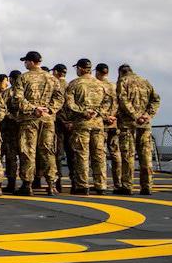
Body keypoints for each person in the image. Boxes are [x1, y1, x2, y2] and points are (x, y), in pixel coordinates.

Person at [11, 51, 64, 196]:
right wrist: (49, 109)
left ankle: (27, 185)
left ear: (31, 62)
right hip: (47, 119)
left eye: (26, 61)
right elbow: (59, 98)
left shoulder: (23, 78)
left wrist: (34, 109)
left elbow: (17, 99)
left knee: (28, 151)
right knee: (47, 150)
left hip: (29, 119)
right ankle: (51, 184)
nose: (25, 64)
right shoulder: (52, 79)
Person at [65, 58, 111, 195]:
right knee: (99, 155)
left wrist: (83, 112)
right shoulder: (101, 84)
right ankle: (101, 185)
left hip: (82, 124)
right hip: (98, 124)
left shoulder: (74, 84)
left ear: (80, 68)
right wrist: (98, 112)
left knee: (82, 155)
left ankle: (82, 185)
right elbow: (108, 102)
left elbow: (69, 103)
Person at [116, 64, 161, 195]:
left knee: (128, 156)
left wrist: (135, 116)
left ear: (121, 72)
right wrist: (147, 115)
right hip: (145, 125)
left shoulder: (122, 82)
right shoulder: (145, 82)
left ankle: (127, 186)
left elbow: (123, 100)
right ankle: (147, 186)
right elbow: (156, 100)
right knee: (146, 156)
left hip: (128, 124)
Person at [95, 63, 120, 191]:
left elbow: (95, 104)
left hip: (101, 123)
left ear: (98, 72)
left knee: (101, 154)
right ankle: (118, 182)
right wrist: (114, 116)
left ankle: (102, 183)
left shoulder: (97, 86)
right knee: (116, 153)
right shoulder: (115, 86)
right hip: (114, 123)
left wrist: (105, 117)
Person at [0, 70, 23, 193]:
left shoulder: (7, 93)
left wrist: (12, 117)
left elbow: (2, 109)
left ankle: (11, 183)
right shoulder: (26, 92)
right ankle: (28, 183)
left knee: (11, 157)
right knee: (26, 156)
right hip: (25, 128)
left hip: (10, 129)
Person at [51, 64, 71, 193]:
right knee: (72, 154)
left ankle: (57, 183)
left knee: (57, 154)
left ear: (56, 72)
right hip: (73, 124)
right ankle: (76, 182)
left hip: (58, 123)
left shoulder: (54, 85)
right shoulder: (72, 85)